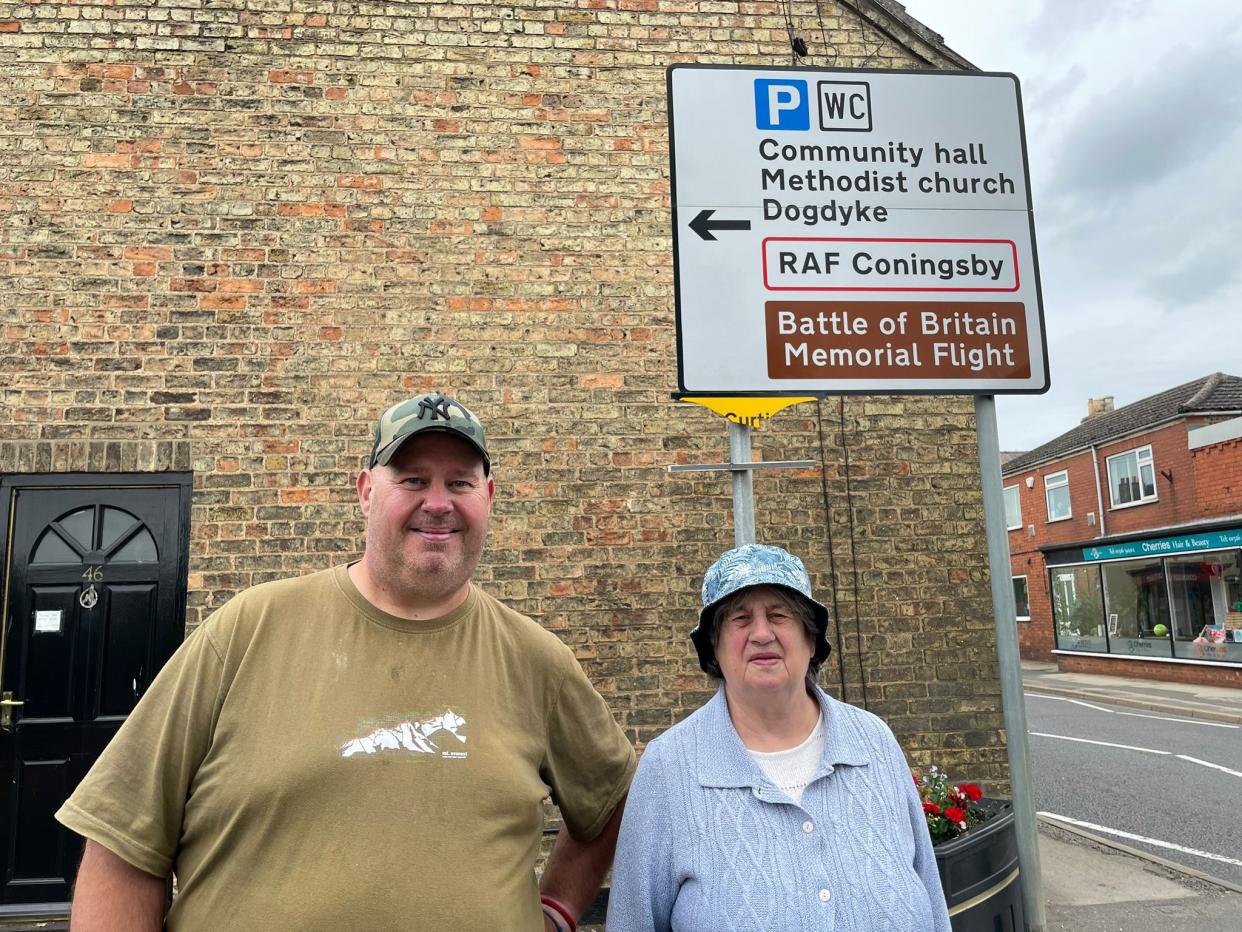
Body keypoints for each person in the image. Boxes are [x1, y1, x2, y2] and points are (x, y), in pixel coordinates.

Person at [56, 392, 635, 932]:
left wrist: (557, 909)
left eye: (459, 482)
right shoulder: (247, 630)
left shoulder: (537, 661)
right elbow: (124, 840)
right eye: (413, 479)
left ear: (488, 498)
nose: (438, 503)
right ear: (365, 491)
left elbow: (615, 799)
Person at [607, 543, 951, 932]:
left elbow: (934, 906)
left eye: (778, 615)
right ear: (714, 648)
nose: (761, 633)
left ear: (810, 639)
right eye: (739, 619)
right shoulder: (669, 767)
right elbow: (632, 921)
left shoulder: (874, 743)